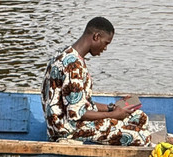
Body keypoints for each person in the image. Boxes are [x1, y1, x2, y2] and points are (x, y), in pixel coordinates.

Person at [41, 16, 150, 146]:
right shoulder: (73, 67)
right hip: (68, 129)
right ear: (96, 37)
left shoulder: (64, 53)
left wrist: (112, 108)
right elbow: (77, 114)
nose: (105, 48)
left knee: (140, 117)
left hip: (69, 122)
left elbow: (79, 102)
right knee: (143, 137)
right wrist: (114, 115)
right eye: (106, 43)